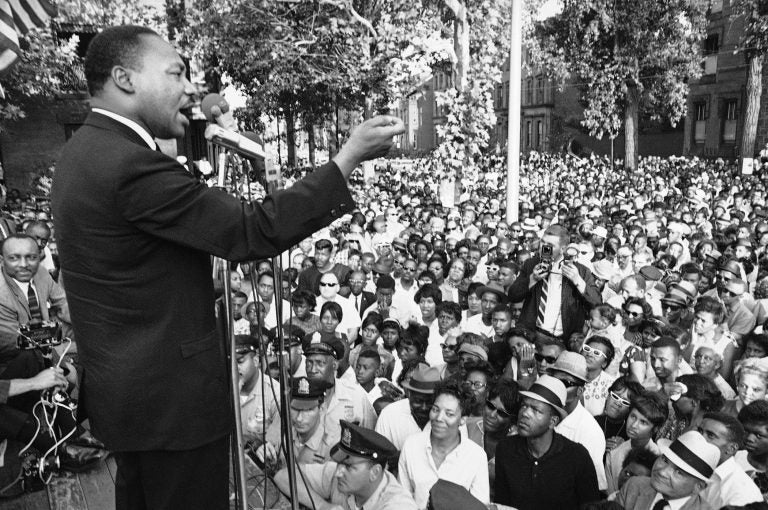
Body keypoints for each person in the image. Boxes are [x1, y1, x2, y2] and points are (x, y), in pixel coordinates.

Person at [52, 25, 403, 510]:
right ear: (124, 78)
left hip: (133, 399)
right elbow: (251, 230)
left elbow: (134, 271)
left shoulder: (83, 152)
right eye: (176, 72)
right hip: (171, 408)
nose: (191, 88)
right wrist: (347, 159)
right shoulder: (128, 163)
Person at [494, 375, 599, 509]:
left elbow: (591, 506)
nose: (525, 413)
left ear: (553, 421)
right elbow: (502, 505)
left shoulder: (577, 457)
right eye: (524, 406)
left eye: (535, 410)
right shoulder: (506, 449)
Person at [274, 420, 417, 510]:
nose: (338, 472)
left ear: (374, 472)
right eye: (339, 464)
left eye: (349, 467)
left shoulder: (398, 504)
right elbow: (283, 476)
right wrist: (322, 505)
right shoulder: (339, 476)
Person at [398, 382, 490, 509]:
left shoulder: (476, 457)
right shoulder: (411, 445)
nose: (439, 418)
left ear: (463, 419)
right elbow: (402, 499)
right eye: (435, 409)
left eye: (449, 414)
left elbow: (479, 506)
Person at [508, 225, 601, 342]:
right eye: (542, 242)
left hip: (564, 340)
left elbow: (597, 303)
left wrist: (578, 281)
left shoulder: (581, 271)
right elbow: (513, 295)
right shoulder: (531, 264)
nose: (544, 248)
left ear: (563, 249)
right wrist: (532, 279)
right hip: (531, 335)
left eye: (550, 246)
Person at [549, 351, 609, 491]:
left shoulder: (590, 432)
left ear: (580, 391)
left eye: (566, 383)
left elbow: (593, 487)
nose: (559, 387)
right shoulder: (542, 412)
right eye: (556, 380)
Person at [615, 431, 720, 510]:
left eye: (679, 472)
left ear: (698, 487)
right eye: (665, 460)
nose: (662, 472)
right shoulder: (634, 485)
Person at [0, 234, 69, 338]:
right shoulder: (2, 292)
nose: (24, 264)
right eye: (14, 258)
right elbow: (13, 340)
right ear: (2, 260)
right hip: (19, 345)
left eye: (32, 257)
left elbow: (63, 302)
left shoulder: (41, 272)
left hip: (45, 333)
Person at [254, 376, 332, 468]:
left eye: (307, 410)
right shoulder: (281, 434)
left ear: (322, 409)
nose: (299, 418)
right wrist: (262, 453)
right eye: (295, 409)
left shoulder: (330, 447)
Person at [605, 392, 669, 494]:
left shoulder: (659, 458)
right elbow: (611, 495)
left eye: (643, 422)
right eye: (633, 417)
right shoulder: (614, 453)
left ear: (655, 428)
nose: (634, 425)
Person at [698, 412, 763, 508]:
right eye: (699, 431)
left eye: (711, 435)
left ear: (731, 449)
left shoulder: (742, 492)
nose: (699, 438)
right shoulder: (695, 465)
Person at [374, 365, 440, 450]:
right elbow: (379, 452)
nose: (424, 407)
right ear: (409, 394)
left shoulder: (448, 419)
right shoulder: (389, 415)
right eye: (418, 401)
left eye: (430, 402)